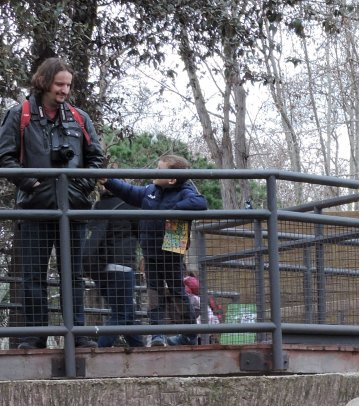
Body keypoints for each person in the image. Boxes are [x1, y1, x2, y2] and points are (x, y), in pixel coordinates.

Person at [0, 57, 106, 348]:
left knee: (72, 275)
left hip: (72, 207)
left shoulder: (79, 117)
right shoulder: (19, 114)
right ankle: (35, 337)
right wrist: (32, 184)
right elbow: (5, 157)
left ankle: (77, 334)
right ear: (45, 82)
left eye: (68, 85)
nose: (64, 90)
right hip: (35, 205)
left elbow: (96, 158)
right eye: (60, 84)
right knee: (33, 275)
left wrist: (82, 186)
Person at [102, 154, 208, 344]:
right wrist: (108, 181)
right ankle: (157, 334)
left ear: (172, 179)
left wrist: (172, 211)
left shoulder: (185, 191)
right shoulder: (150, 190)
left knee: (177, 292)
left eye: (159, 170)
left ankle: (189, 334)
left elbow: (200, 203)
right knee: (153, 293)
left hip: (172, 250)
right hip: (150, 251)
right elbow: (129, 191)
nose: (154, 172)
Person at [83, 191, 144, 348]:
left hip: (100, 270)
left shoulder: (97, 207)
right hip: (122, 266)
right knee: (121, 315)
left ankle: (141, 352)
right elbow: (142, 232)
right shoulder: (129, 206)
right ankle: (98, 352)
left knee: (127, 315)